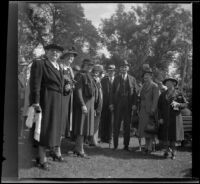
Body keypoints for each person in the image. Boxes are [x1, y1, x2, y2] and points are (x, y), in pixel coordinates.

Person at [29, 44, 64, 170]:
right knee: (43, 128)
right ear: (47, 52)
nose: (55, 53)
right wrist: (36, 102)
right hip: (45, 100)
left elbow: (60, 84)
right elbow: (35, 85)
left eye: (57, 52)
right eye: (52, 51)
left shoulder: (59, 66)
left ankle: (51, 154)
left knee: (52, 129)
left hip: (57, 101)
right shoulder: (40, 64)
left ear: (60, 55)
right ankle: (42, 159)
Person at [111, 60, 138, 151]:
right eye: (122, 67)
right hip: (118, 104)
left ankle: (126, 146)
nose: (124, 68)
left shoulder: (132, 79)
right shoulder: (116, 78)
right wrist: (111, 104)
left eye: (125, 67)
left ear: (128, 68)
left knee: (127, 125)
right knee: (116, 125)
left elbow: (135, 93)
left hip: (128, 104)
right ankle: (115, 145)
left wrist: (134, 104)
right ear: (120, 68)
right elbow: (112, 92)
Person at [158, 78, 188, 160]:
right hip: (165, 118)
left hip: (175, 119)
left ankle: (173, 153)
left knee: (174, 137)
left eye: (169, 82)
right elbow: (159, 108)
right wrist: (160, 118)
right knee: (166, 136)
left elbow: (185, 104)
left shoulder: (179, 93)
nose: (168, 84)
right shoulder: (163, 94)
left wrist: (178, 104)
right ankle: (166, 152)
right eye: (166, 83)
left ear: (174, 83)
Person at [73, 59, 95, 157]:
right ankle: (79, 149)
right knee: (81, 127)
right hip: (84, 105)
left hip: (90, 104)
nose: (89, 67)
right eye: (88, 65)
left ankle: (78, 148)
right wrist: (82, 104)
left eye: (91, 65)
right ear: (83, 65)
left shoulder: (90, 75)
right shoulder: (80, 75)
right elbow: (78, 91)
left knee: (85, 127)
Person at [137, 67, 159, 153]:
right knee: (145, 129)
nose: (145, 77)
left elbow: (155, 99)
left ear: (151, 76)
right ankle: (146, 146)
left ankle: (150, 147)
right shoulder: (143, 85)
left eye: (147, 75)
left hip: (150, 110)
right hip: (143, 110)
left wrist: (153, 110)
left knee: (151, 128)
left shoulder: (155, 86)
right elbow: (140, 97)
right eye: (144, 75)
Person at [59, 47, 78, 140]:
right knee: (60, 116)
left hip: (69, 96)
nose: (71, 58)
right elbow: (58, 80)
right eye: (69, 56)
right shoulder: (60, 67)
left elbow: (73, 82)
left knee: (66, 116)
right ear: (65, 57)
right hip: (61, 96)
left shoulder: (70, 69)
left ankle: (62, 137)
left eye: (72, 57)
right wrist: (64, 86)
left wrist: (72, 86)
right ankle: (57, 139)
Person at [100, 64, 116, 147]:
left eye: (112, 71)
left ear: (114, 71)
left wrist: (113, 103)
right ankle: (103, 138)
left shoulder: (117, 80)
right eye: (109, 70)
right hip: (104, 103)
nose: (111, 72)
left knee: (111, 121)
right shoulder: (103, 80)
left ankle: (109, 138)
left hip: (113, 103)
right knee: (104, 120)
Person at [89, 64, 104, 146]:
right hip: (94, 104)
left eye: (98, 71)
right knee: (92, 123)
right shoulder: (92, 80)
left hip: (99, 104)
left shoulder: (99, 80)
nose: (96, 73)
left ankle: (94, 140)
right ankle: (92, 141)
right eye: (95, 71)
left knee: (96, 123)